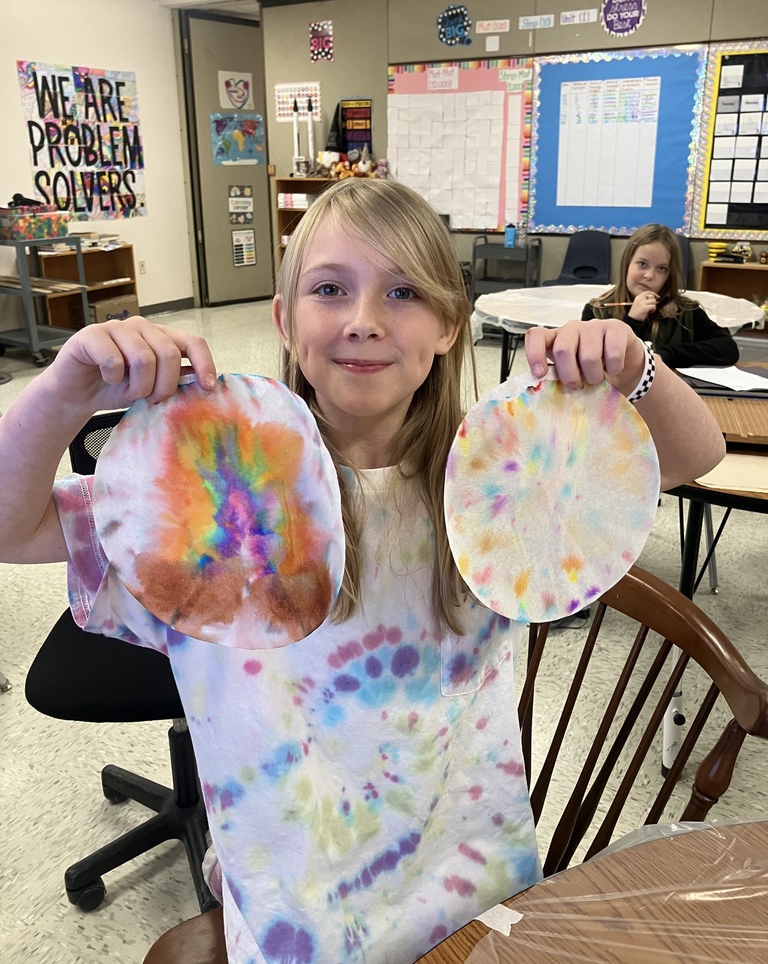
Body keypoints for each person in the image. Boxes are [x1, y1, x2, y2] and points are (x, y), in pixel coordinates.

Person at [0, 180, 725, 964]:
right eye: (330, 288)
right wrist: (63, 392)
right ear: (285, 318)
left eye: (404, 292)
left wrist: (636, 369)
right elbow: (14, 526)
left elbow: (694, 456)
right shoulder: (210, 498)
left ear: (451, 324)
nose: (364, 320)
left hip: (471, 882)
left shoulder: (491, 481)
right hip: (294, 901)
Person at [581, 223, 739, 369]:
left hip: (667, 393)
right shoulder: (597, 311)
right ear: (627, 263)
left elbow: (728, 349)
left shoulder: (686, 311)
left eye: (661, 269)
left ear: (669, 275)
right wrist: (632, 322)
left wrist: (666, 355)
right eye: (642, 264)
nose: (649, 275)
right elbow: (597, 361)